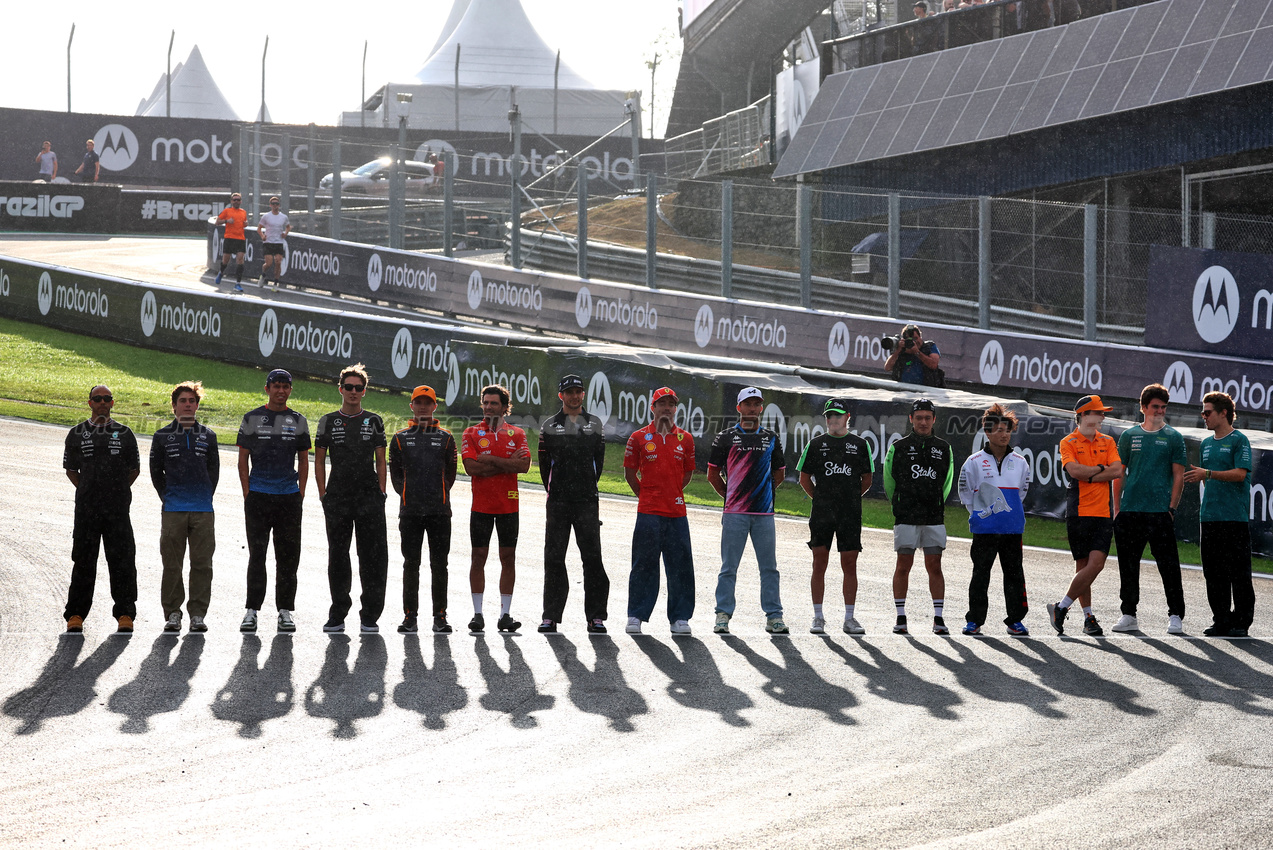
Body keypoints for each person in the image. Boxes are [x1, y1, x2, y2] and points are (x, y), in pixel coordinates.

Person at [315, 364, 388, 634]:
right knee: (338, 555)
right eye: (349, 387)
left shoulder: (374, 420)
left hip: (369, 496)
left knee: (372, 556)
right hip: (338, 496)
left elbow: (381, 460)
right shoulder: (328, 421)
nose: (354, 392)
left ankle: (370, 615)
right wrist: (323, 493)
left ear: (364, 391)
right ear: (340, 389)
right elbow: (319, 460)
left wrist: (381, 492)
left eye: (359, 388)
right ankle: (338, 613)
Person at [236, 368, 310, 634]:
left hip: (288, 497)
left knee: (288, 558)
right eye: (276, 386)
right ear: (266, 388)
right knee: (257, 555)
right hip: (258, 496)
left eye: (285, 386)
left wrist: (300, 493)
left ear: (290, 390)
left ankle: (285, 611)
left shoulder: (298, 420)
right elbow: (242, 458)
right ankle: (251, 610)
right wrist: (247, 492)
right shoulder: (252, 418)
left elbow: (304, 460)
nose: (281, 390)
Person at [709, 387, 788, 635]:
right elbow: (712, 474)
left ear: (761, 408)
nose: (752, 409)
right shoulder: (725, 437)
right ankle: (722, 615)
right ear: (739, 407)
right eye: (748, 404)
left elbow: (780, 472)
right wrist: (732, 495)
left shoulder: (771, 437)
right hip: (735, 514)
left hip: (764, 514)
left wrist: (763, 492)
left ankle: (774, 617)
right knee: (728, 567)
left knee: (769, 568)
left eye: (756, 404)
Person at [62, 385, 139, 634]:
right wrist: (89, 488)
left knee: (122, 561)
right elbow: (71, 471)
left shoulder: (125, 433)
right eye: (98, 399)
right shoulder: (76, 434)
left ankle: (125, 613)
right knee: (83, 561)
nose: (102, 403)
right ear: (90, 403)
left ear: (112, 403)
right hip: (87, 510)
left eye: (107, 399)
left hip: (117, 510)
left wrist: (114, 490)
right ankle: (76, 614)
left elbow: (134, 470)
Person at [1112, 383, 1187, 635]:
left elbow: (1179, 476)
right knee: (1128, 565)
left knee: (1169, 566)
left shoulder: (1174, 437)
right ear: (1143, 407)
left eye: (1163, 407)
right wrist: (1117, 508)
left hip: (1159, 513)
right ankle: (1128, 614)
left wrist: (1171, 509)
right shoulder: (1128, 436)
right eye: (1155, 406)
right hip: (1130, 511)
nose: (1159, 411)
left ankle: (1176, 614)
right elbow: (1118, 473)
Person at [537, 375, 609, 634]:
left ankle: (596, 617)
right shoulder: (549, 425)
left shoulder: (595, 424)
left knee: (592, 558)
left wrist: (584, 486)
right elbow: (544, 467)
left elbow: (597, 464)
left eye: (578, 391)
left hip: (587, 501)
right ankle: (550, 616)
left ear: (583, 394)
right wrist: (556, 490)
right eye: (569, 392)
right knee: (554, 558)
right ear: (561, 395)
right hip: (557, 502)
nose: (574, 396)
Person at [1047, 395, 1124, 636]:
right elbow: (1074, 471)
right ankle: (1088, 617)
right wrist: (1101, 471)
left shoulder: (1108, 441)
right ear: (1084, 415)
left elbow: (1117, 470)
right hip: (1078, 511)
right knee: (1083, 566)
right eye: (1098, 412)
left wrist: (1092, 474)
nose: (1103, 416)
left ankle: (1060, 607)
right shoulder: (1068, 441)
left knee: (1096, 564)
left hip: (1102, 512)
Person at [623, 386, 697, 635]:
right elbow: (630, 473)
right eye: (662, 403)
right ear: (652, 407)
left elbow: (687, 474)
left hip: (677, 513)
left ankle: (680, 617)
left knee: (680, 566)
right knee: (644, 564)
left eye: (671, 404)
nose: (667, 408)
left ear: (675, 409)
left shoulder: (685, 438)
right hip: (648, 512)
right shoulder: (638, 437)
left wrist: (672, 492)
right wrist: (646, 495)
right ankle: (636, 615)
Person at [798, 398, 873, 635]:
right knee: (819, 562)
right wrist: (820, 500)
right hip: (822, 514)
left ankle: (849, 618)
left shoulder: (860, 445)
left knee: (849, 564)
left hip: (849, 514)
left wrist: (848, 500)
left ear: (847, 417)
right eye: (829, 416)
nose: (833, 420)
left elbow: (867, 480)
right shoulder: (816, 444)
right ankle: (818, 617)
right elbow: (804, 478)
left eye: (837, 415)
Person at [1183, 392, 1255, 638]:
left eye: (1208, 412)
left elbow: (1240, 474)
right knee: (1213, 572)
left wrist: (1209, 474)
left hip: (1234, 517)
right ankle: (1221, 619)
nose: (1204, 416)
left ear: (1223, 413)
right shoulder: (1205, 443)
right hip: (1210, 517)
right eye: (1202, 412)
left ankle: (1242, 621)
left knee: (1239, 572)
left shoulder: (1239, 440)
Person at [149, 381, 219, 633]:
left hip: (202, 510)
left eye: (192, 401)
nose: (187, 405)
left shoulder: (208, 436)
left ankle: (198, 614)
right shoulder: (161, 436)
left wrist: (204, 497)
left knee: (202, 564)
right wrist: (168, 497)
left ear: (197, 405)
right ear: (174, 406)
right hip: (173, 509)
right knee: (172, 564)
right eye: (182, 401)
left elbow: (214, 473)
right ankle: (173, 613)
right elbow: (156, 473)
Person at [461, 384, 531, 633]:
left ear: (504, 406)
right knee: (478, 557)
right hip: (481, 506)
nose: (489, 407)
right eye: (486, 402)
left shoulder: (517, 434)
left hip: (508, 505)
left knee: (507, 558)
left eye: (494, 403)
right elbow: (472, 468)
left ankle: (505, 615)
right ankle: (478, 614)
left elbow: (523, 466)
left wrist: (490, 459)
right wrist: (506, 464)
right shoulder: (470, 432)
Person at [957, 403, 1031, 636]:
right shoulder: (974, 461)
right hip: (984, 529)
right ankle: (975, 621)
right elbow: (965, 492)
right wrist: (977, 514)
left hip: (1012, 529)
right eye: (998, 430)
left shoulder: (1020, 462)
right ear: (987, 433)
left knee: (1014, 575)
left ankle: (1015, 620)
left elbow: (1021, 492)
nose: (1004, 434)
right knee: (980, 574)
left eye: (1007, 430)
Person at [388, 385, 457, 634]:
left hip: (439, 512)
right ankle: (410, 616)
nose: (423, 407)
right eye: (419, 402)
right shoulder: (399, 438)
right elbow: (395, 474)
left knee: (440, 565)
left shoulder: (447, 438)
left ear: (434, 406)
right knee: (411, 564)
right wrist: (408, 493)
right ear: (412, 406)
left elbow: (450, 475)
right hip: (410, 512)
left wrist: (437, 494)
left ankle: (440, 616)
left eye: (428, 402)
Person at [884, 398, 954, 635]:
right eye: (919, 417)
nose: (923, 422)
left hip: (934, 516)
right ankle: (901, 616)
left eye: (927, 417)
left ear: (934, 419)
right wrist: (901, 505)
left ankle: (938, 618)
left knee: (934, 565)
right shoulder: (899, 447)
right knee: (903, 564)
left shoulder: (944, 448)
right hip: (906, 516)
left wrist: (934, 503)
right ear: (911, 419)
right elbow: (889, 482)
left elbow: (947, 482)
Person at [214, 193, 249, 292]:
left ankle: (237, 283)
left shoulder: (243, 212)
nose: (236, 201)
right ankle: (221, 272)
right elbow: (217, 221)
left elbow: (244, 223)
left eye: (238, 200)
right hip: (229, 238)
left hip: (240, 239)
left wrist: (246, 224)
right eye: (235, 200)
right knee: (226, 260)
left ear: (241, 201)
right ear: (231, 201)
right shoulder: (227, 211)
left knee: (240, 260)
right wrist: (226, 221)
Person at [257, 196, 291, 288]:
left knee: (278, 261)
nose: (275, 206)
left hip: (279, 242)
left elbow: (288, 226)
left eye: (276, 204)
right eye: (273, 204)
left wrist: (286, 233)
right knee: (269, 263)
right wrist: (262, 236)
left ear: (279, 205)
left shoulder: (283, 217)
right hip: (268, 242)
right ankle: (263, 275)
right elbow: (259, 228)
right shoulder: (266, 216)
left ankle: (275, 283)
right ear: (270, 205)